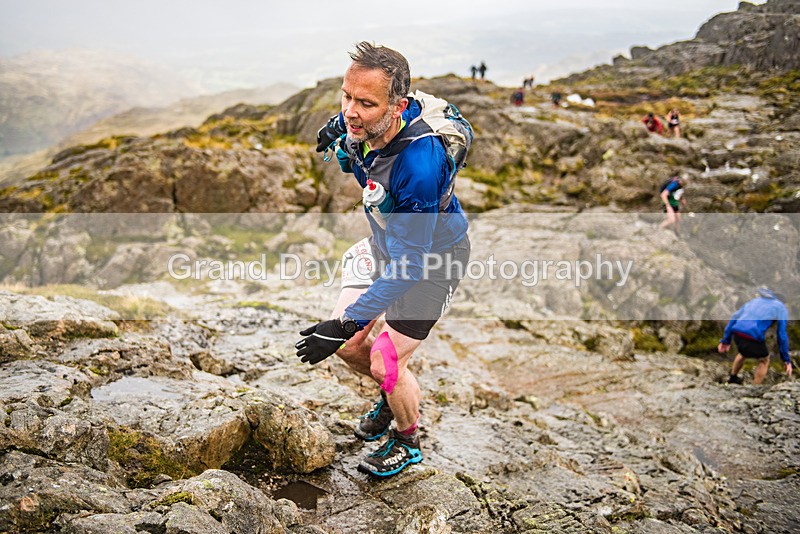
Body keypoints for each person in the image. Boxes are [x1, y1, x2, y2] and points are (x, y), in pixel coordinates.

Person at [298, 42, 471, 478]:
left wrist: (344, 322)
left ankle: (407, 439)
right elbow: (350, 122)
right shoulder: (361, 125)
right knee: (351, 346)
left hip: (434, 260)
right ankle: (393, 392)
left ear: (400, 106)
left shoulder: (419, 165)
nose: (351, 111)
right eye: (346, 96)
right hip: (385, 244)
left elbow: (410, 268)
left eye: (366, 103)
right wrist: (336, 125)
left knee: (384, 361)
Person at [719, 288, 792, 385]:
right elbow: (782, 334)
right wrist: (786, 359)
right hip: (753, 335)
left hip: (737, 332)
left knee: (743, 353)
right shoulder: (781, 307)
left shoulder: (755, 301)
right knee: (764, 360)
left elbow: (735, 316)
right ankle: (755, 387)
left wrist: (726, 340)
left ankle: (733, 378)